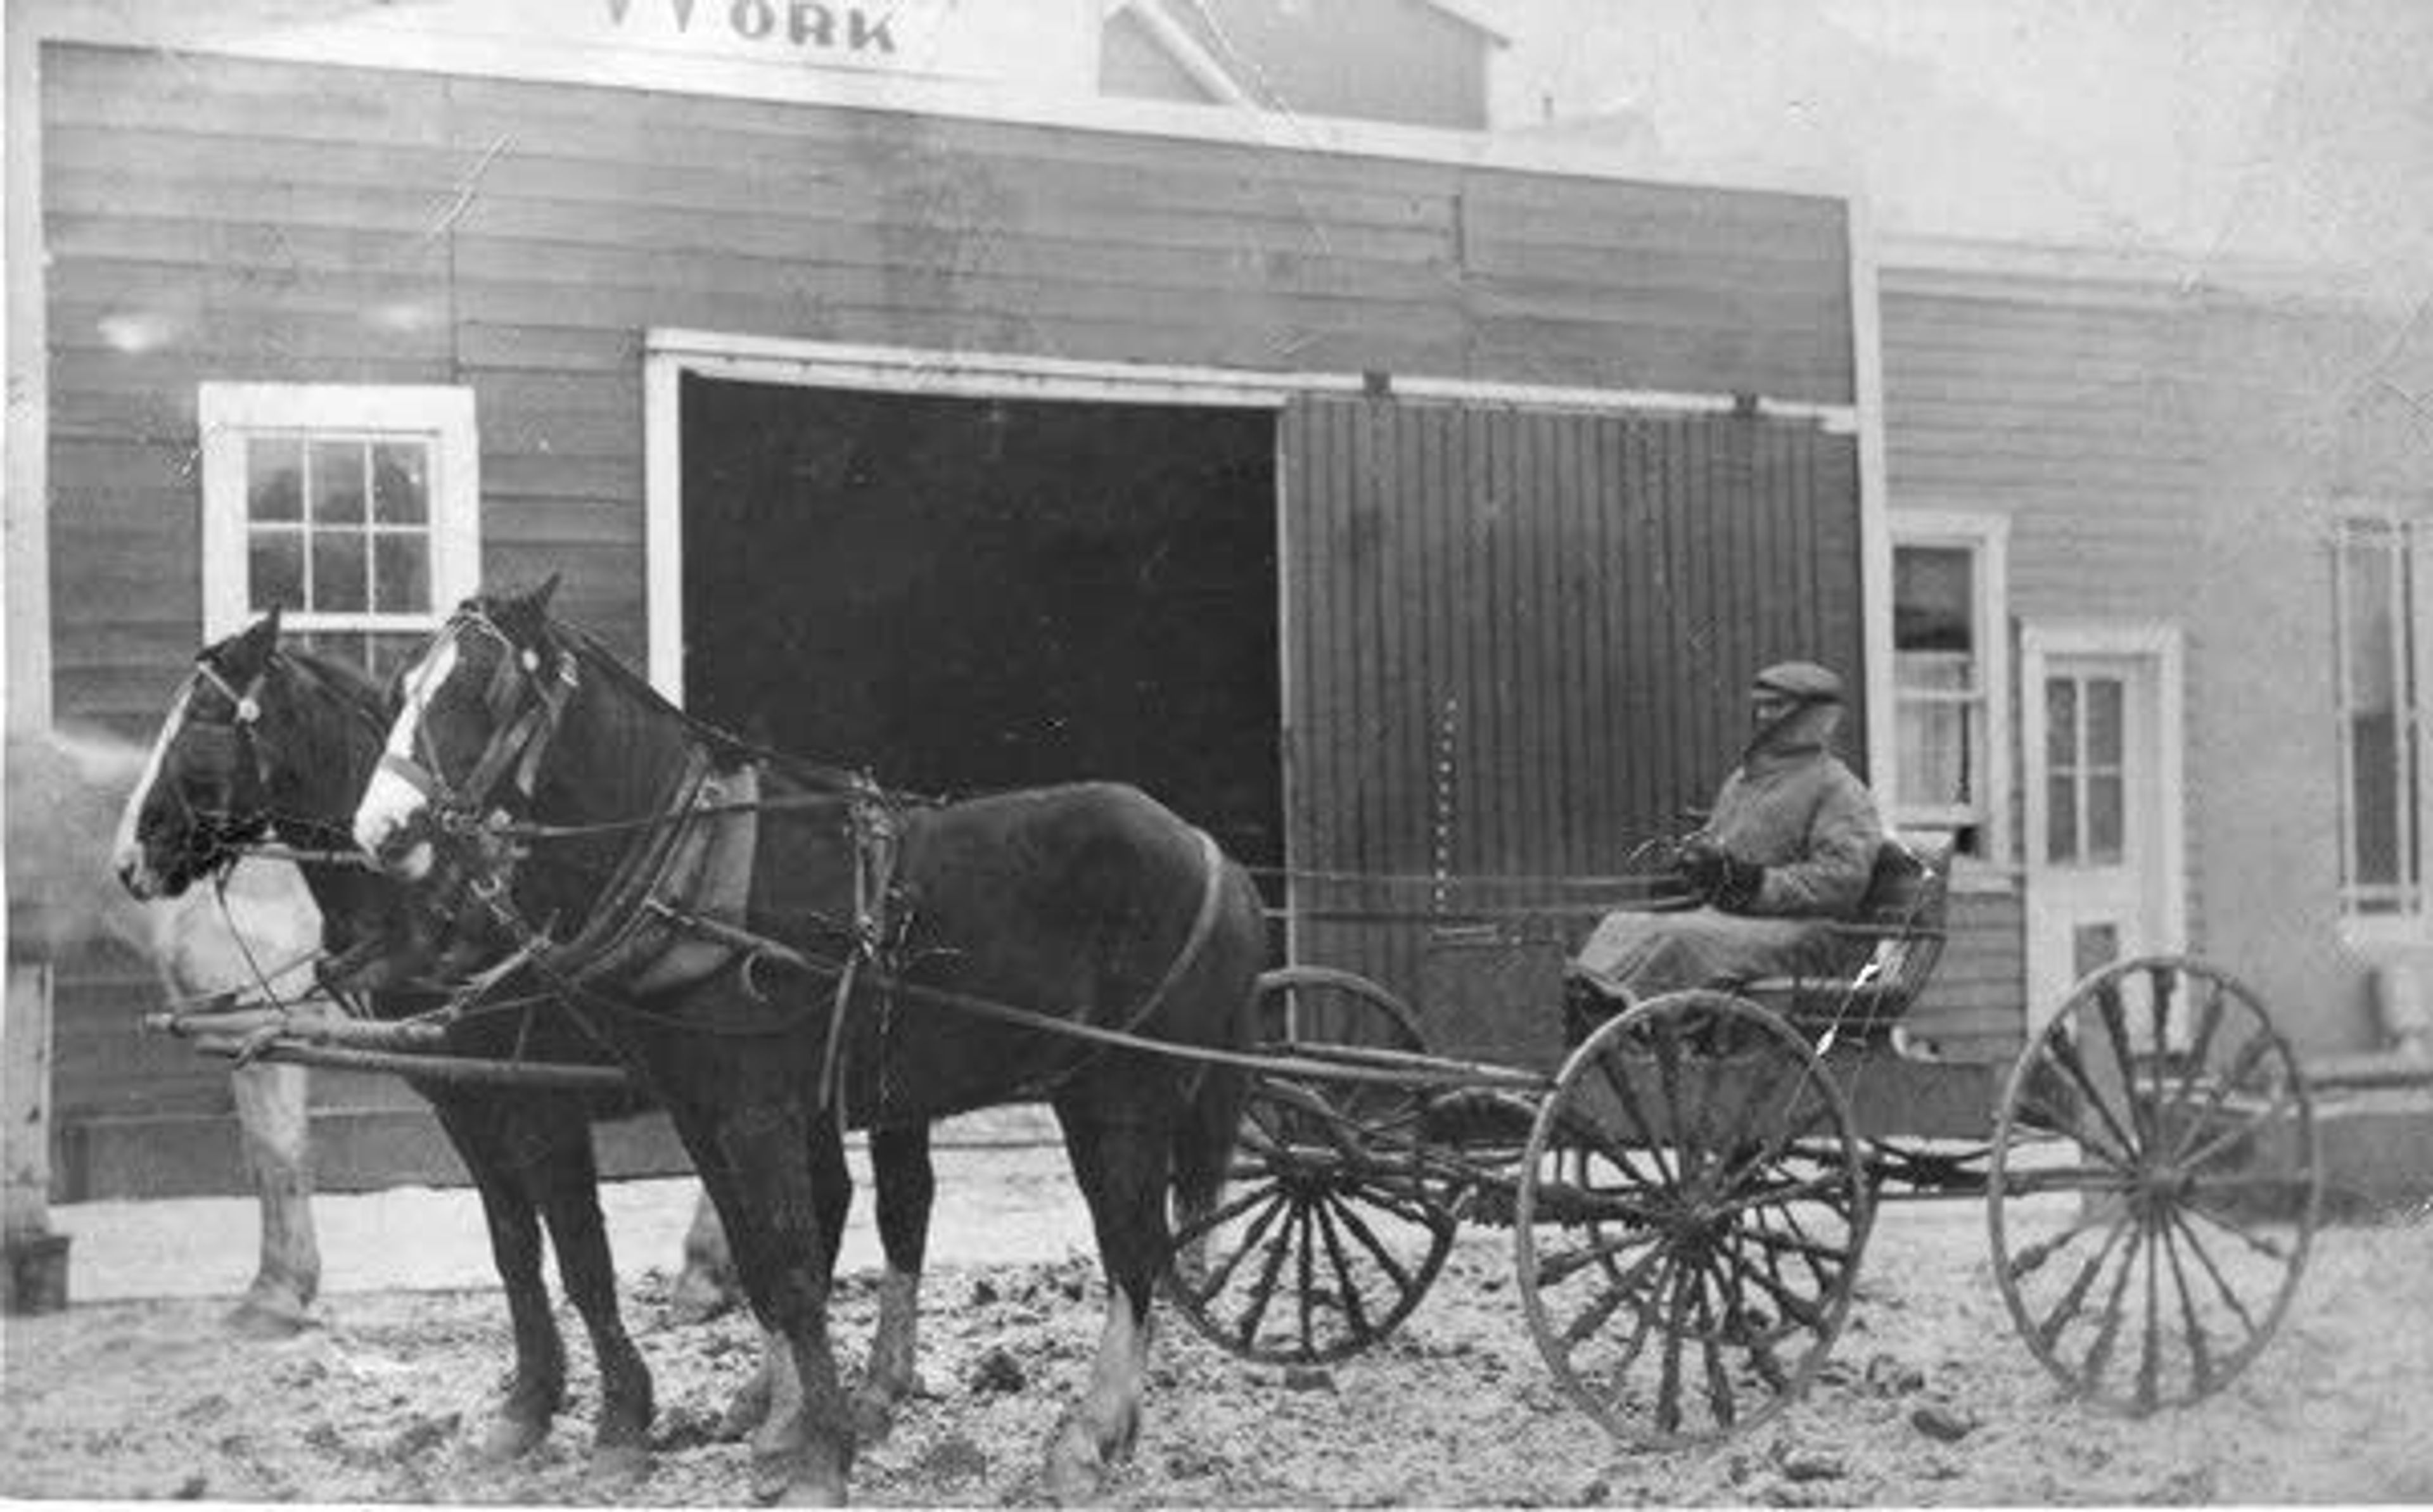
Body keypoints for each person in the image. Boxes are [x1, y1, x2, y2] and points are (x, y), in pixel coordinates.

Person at [1568, 660, 1886, 1012]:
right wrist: (1690, 874)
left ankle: (1616, 1018)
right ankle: (1583, 1009)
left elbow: (1842, 882)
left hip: (1804, 935)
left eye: (1778, 707)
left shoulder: (1839, 790)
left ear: (1820, 717)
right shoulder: (1743, 782)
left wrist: (1754, 882)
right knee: (1622, 924)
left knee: (1675, 937)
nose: (1765, 716)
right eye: (1761, 705)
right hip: (1739, 921)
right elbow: (1715, 850)